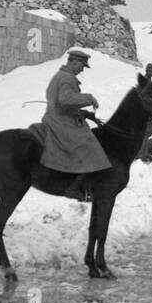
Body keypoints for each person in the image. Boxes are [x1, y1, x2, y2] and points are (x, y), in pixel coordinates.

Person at [39, 48, 111, 200]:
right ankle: (73, 188)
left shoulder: (61, 75)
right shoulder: (66, 77)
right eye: (82, 66)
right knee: (90, 147)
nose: (82, 69)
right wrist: (89, 98)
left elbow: (62, 103)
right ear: (74, 62)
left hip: (59, 116)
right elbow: (66, 99)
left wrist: (85, 114)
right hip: (60, 121)